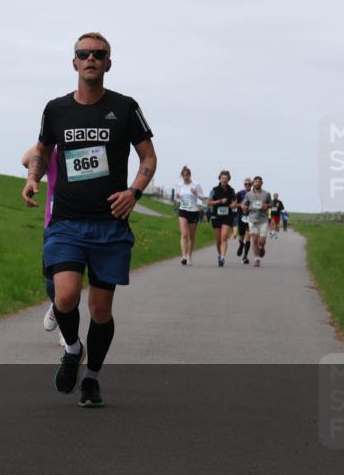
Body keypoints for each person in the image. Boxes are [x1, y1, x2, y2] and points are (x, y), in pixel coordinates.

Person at [21, 31, 157, 408]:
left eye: (99, 54)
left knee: (100, 310)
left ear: (108, 63)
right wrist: (33, 177)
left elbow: (148, 157)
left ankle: (92, 377)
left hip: (109, 225)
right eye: (84, 54)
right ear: (74, 62)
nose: (91, 58)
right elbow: (43, 149)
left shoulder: (125, 108)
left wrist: (134, 192)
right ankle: (72, 348)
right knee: (64, 296)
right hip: (66, 222)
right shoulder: (56, 109)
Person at [21, 145, 66, 346]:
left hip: (82, 223)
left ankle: (67, 331)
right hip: (54, 223)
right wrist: (48, 137)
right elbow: (26, 160)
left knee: (70, 283)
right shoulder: (52, 151)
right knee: (51, 281)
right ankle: (57, 305)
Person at [174, 166, 207, 265]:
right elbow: (177, 197)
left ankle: (189, 255)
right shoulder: (179, 185)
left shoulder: (196, 185)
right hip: (183, 210)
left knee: (191, 236)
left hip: (193, 211)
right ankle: (183, 256)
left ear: (190, 175)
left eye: (187, 175)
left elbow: (203, 199)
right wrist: (178, 196)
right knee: (184, 234)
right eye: (183, 176)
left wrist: (196, 193)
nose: (185, 177)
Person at [207, 170, 237, 267]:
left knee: (224, 237)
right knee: (218, 239)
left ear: (229, 180)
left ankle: (223, 257)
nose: (224, 180)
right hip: (216, 216)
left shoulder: (231, 190)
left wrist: (233, 204)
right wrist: (219, 201)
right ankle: (219, 254)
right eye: (222, 178)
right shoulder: (214, 190)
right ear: (219, 179)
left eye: (226, 179)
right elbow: (209, 202)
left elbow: (234, 201)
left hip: (227, 216)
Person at [241, 176, 272, 268]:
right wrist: (243, 207)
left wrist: (267, 205)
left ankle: (262, 247)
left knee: (261, 241)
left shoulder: (267, 194)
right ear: (253, 183)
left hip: (263, 219)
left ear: (262, 183)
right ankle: (257, 259)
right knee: (254, 239)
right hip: (252, 219)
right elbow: (244, 204)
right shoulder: (248, 194)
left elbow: (271, 204)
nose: (257, 183)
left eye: (259, 182)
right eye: (256, 181)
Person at [235, 177, 253, 264]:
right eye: (246, 184)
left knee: (248, 237)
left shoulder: (255, 194)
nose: (247, 185)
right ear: (244, 185)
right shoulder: (239, 194)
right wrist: (241, 205)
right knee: (241, 236)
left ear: (252, 185)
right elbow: (233, 204)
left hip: (251, 218)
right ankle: (241, 244)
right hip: (241, 217)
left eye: (249, 184)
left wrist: (250, 207)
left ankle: (245, 256)